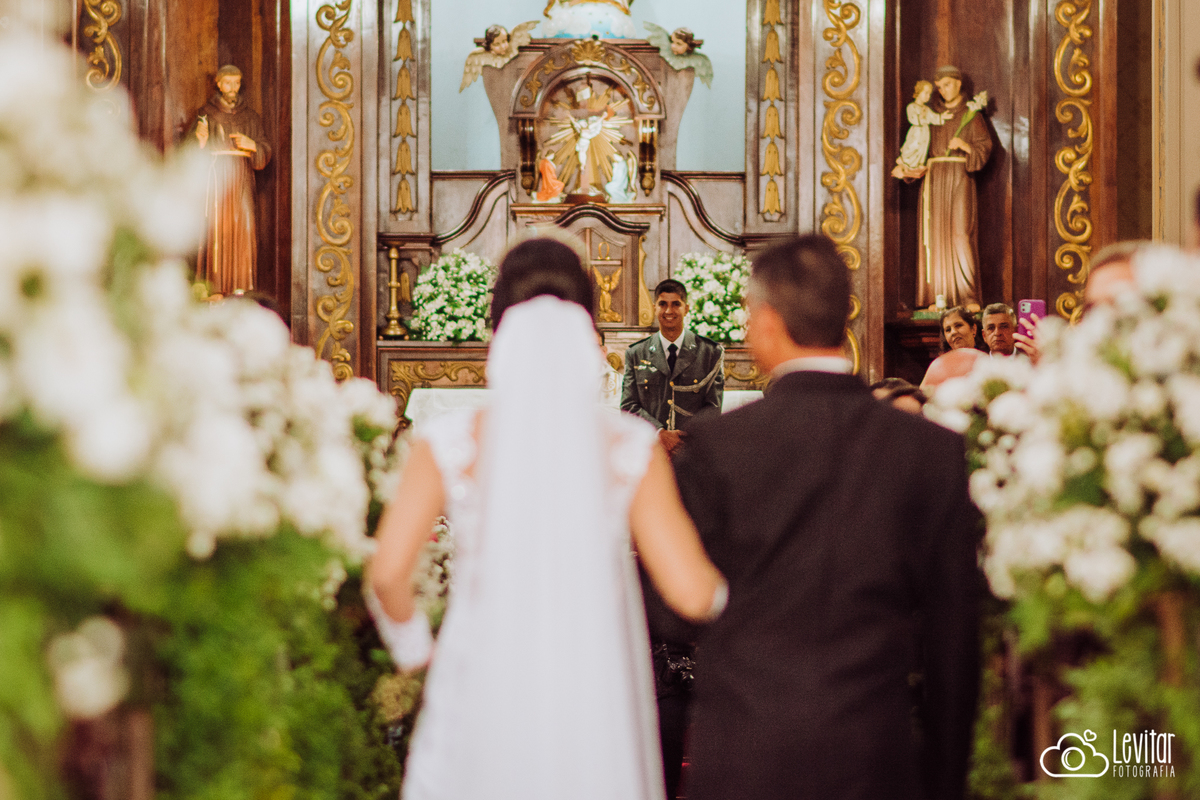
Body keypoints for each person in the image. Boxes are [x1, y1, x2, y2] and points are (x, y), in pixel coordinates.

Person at [367, 237, 727, 800]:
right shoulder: (629, 445)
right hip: (592, 685)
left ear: (497, 326)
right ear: (586, 325)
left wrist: (421, 657)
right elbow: (691, 591)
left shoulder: (447, 441)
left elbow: (387, 572)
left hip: (479, 672)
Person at [652, 234, 981, 800]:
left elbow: (670, 608)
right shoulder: (930, 450)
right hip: (874, 752)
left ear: (769, 321)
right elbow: (955, 634)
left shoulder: (718, 446)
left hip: (743, 750)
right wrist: (945, 777)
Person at [186, 65, 271, 295]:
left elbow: (264, 149)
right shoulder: (206, 114)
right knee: (217, 232)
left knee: (243, 230)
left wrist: (252, 145)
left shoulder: (250, 116)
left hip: (242, 182)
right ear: (219, 84)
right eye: (228, 83)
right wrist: (201, 142)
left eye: (236, 82)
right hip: (217, 181)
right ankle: (215, 288)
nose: (232, 88)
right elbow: (190, 155)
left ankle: (242, 289)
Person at [914, 66, 992, 311]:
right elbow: (917, 142)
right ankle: (938, 297)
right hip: (935, 178)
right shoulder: (931, 114)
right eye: (939, 87)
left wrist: (965, 145)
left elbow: (985, 146)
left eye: (947, 84)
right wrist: (910, 165)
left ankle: (968, 296)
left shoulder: (971, 114)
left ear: (959, 84)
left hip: (959, 177)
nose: (942, 90)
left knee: (960, 234)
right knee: (935, 238)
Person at [621, 279, 725, 455]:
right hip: (650, 451)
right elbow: (629, 405)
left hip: (693, 451)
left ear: (686, 309)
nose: (669, 311)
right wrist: (659, 433)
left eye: (676, 304)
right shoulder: (636, 353)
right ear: (655, 308)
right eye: (663, 304)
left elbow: (712, 407)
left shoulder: (709, 352)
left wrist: (684, 439)